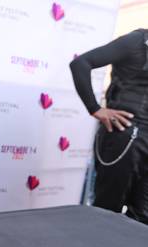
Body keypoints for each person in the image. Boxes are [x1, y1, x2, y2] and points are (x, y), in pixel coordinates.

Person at [70, 28, 148, 223]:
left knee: (143, 216)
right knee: (106, 212)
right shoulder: (136, 41)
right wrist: (95, 108)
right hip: (125, 135)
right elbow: (81, 64)